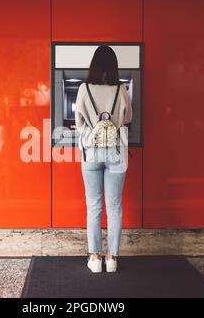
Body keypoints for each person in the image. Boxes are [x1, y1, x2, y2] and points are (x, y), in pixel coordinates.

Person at [74, 45, 133, 273]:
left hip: (91, 151)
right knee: (115, 206)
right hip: (116, 151)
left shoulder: (83, 88)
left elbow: (79, 122)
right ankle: (112, 259)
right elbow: (128, 117)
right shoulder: (121, 88)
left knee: (94, 206)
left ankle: (95, 258)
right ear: (114, 66)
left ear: (94, 65)